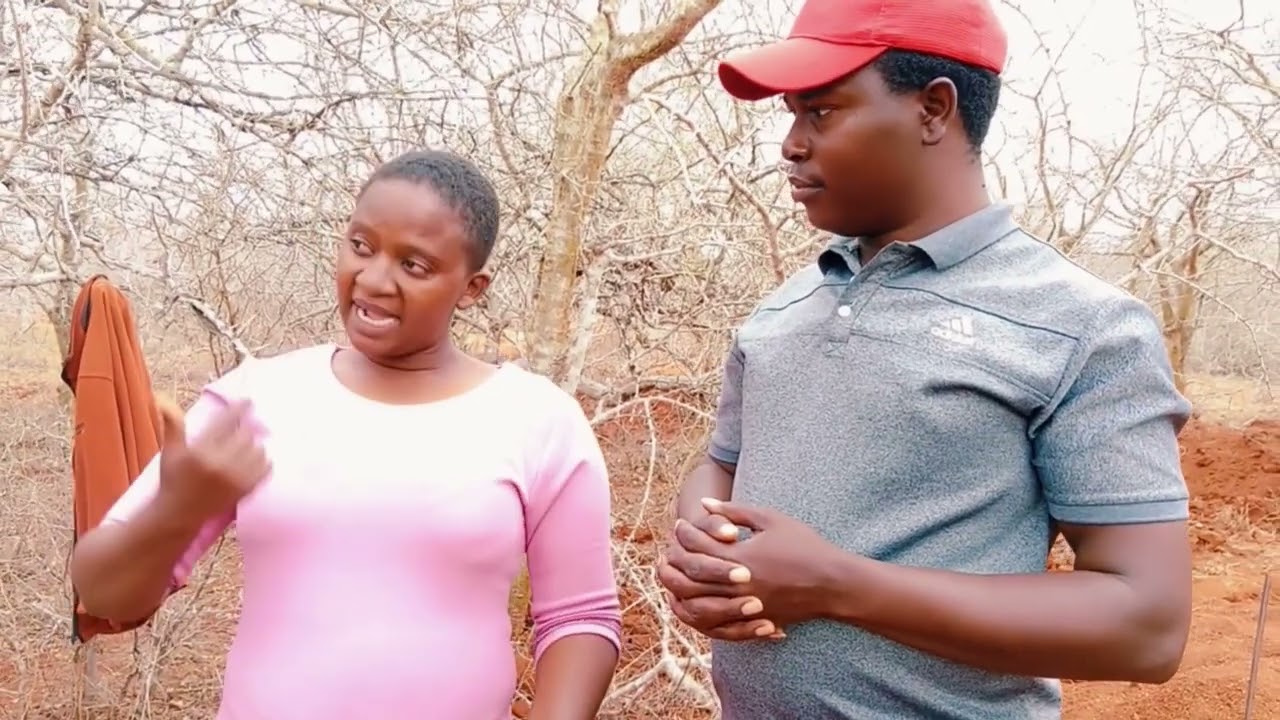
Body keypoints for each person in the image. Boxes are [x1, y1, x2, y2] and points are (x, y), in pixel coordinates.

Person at [657, 0, 1194, 718]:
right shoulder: (783, 309)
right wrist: (707, 552)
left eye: (821, 112)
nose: (790, 144)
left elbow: (1145, 626)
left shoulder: (1080, 326)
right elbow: (722, 463)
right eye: (790, 116)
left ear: (934, 110)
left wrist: (837, 586)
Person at [70, 150, 622, 720]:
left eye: (415, 265)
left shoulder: (537, 419)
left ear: (472, 286)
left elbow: (579, 619)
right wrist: (175, 510)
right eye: (361, 246)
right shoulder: (257, 399)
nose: (373, 279)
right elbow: (105, 595)